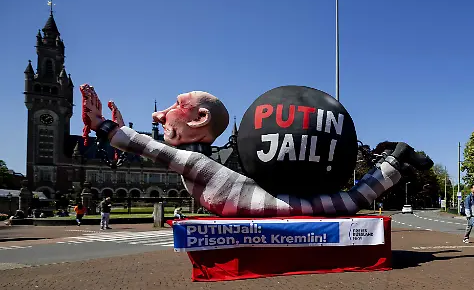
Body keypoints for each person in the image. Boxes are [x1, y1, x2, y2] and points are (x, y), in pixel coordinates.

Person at [80, 85, 432, 217]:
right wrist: (116, 131)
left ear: (200, 118)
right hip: (274, 199)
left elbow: (155, 149)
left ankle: (397, 156)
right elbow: (152, 144)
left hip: (280, 205)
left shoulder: (199, 164)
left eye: (176, 104)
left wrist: (106, 127)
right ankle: (397, 157)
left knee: (349, 202)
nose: (160, 115)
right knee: (350, 201)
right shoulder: (206, 161)